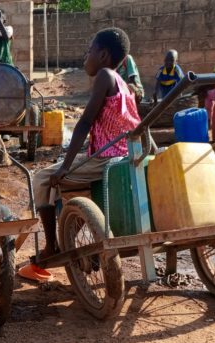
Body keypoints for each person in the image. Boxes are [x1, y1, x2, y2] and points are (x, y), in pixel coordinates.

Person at [32, 28, 141, 257]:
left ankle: (52, 247)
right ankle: (71, 239)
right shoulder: (123, 84)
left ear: (102, 56)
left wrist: (64, 166)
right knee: (68, 187)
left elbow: (84, 123)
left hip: (106, 159)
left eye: (89, 51)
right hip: (124, 155)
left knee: (42, 179)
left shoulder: (105, 76)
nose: (85, 57)